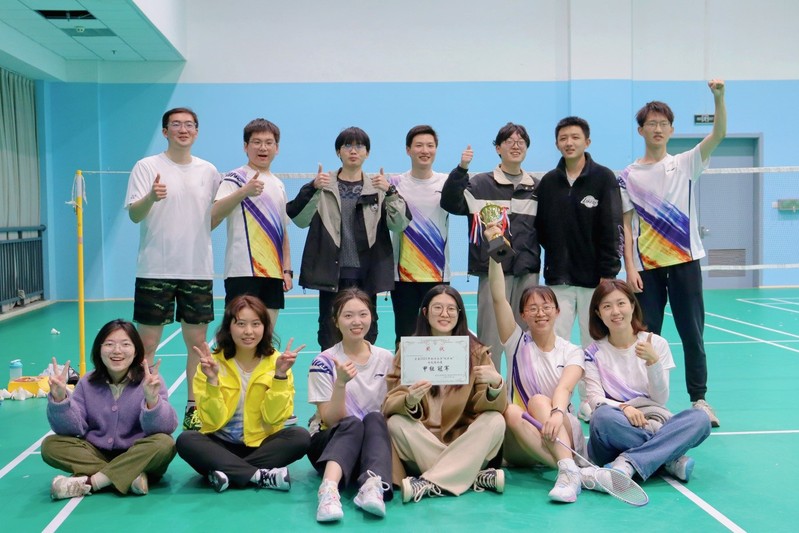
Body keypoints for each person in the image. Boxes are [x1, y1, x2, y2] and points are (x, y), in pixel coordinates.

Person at [619, 80, 727, 427]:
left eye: (664, 123)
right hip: (647, 269)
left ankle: (700, 400)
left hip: (685, 263)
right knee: (646, 336)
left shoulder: (685, 163)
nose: (658, 128)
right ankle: (645, 400)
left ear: (671, 129)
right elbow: (626, 228)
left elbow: (719, 134)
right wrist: (629, 268)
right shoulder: (629, 176)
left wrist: (718, 98)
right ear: (641, 130)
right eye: (652, 123)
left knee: (692, 335)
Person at [125, 107, 220, 431]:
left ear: (197, 131)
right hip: (155, 268)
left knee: (198, 344)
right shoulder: (146, 167)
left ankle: (194, 406)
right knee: (147, 344)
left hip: (197, 269)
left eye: (189, 124)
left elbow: (214, 215)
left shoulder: (209, 171)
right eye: (176, 124)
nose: (183, 129)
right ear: (165, 131)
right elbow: (134, 215)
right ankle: (146, 404)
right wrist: (151, 197)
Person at [484, 223, 590, 503]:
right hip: (523, 438)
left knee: (541, 402)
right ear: (523, 315)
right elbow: (498, 297)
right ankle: (573, 470)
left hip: (559, 426)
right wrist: (495, 251)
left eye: (546, 307)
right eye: (532, 308)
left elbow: (565, 389)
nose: (540, 313)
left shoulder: (572, 351)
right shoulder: (516, 342)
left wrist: (555, 413)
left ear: (557, 311)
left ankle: (567, 469)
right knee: (511, 411)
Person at [287, 126, 411, 351]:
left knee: (366, 332)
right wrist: (313, 188)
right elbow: (299, 220)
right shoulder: (323, 185)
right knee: (329, 332)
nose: (354, 151)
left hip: (367, 275)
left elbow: (399, 224)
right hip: (332, 275)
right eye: (347, 146)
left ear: (367, 153)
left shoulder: (378, 187)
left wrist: (390, 192)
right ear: (338, 152)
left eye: (359, 146)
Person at [383, 285, 507, 503]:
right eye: (437, 308)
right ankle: (471, 476)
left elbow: (492, 408)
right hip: (423, 444)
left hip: (465, 441)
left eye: (451, 309)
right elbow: (390, 402)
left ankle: (430, 481)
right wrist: (409, 401)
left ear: (459, 314)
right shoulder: (409, 350)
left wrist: (495, 385)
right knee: (395, 423)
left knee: (496, 420)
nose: (444, 314)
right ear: (425, 312)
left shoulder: (477, 352)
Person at [535, 116, 622, 422]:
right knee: (555, 344)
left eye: (575, 137)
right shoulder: (548, 182)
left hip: (594, 280)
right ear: (557, 143)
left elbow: (613, 225)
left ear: (587, 141)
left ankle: (592, 400)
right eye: (563, 138)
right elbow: (541, 228)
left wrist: (609, 273)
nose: (569, 143)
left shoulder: (603, 178)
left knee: (593, 343)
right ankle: (557, 402)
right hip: (557, 278)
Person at [176, 295, 310, 493]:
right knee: (186, 440)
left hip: (261, 444)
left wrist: (280, 376)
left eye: (256, 324)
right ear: (228, 327)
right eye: (241, 324)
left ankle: (226, 472)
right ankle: (259, 476)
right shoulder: (211, 363)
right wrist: (212, 381)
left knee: (300, 437)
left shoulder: (278, 362)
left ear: (265, 327)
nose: (248, 331)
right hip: (221, 444)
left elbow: (274, 418)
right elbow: (212, 421)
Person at [584, 280, 711, 483]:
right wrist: (624, 408)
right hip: (615, 428)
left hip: (653, 418)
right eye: (607, 306)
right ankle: (668, 458)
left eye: (621, 303)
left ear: (632, 306)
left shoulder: (656, 344)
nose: (615, 311)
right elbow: (594, 399)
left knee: (700, 419)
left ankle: (628, 462)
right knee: (602, 417)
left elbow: (660, 399)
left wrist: (653, 362)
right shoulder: (592, 352)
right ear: (598, 313)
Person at [440, 122, 540, 378]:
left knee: (526, 343)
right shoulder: (480, 184)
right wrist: (461, 169)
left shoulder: (537, 188)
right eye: (509, 142)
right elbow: (450, 202)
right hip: (492, 273)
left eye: (521, 142)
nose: (516, 146)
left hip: (527, 275)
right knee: (490, 343)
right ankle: (488, 393)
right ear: (498, 148)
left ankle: (522, 392)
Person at [42, 319, 178, 500]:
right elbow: (73, 429)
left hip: (137, 453)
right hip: (99, 453)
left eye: (125, 344)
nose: (117, 351)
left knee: (165, 443)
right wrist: (60, 400)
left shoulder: (150, 380)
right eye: (109, 344)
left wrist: (152, 401)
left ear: (136, 350)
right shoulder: (87, 382)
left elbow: (166, 427)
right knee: (50, 445)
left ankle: (92, 482)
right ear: (99, 349)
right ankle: (129, 477)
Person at [307, 288, 394, 522]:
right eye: (348, 315)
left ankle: (372, 487)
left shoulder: (386, 358)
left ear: (372, 317)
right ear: (336, 321)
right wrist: (341, 384)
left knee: (375, 418)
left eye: (363, 314)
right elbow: (331, 420)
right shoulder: (324, 362)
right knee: (353, 423)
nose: (357, 321)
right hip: (329, 445)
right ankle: (328, 492)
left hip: (370, 449)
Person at [211, 118, 293, 326]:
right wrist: (244, 192)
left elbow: (283, 232)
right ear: (245, 147)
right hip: (242, 271)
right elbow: (214, 214)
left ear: (276, 148)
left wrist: (286, 270)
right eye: (256, 142)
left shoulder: (278, 184)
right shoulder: (235, 178)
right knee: (238, 333)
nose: (263, 147)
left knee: (267, 333)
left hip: (273, 272)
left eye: (268, 142)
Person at [389, 125, 451, 347]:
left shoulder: (446, 182)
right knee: (404, 336)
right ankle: (402, 371)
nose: (425, 150)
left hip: (438, 274)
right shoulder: (394, 183)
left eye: (430, 145)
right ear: (408, 150)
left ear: (436, 149)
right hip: (403, 276)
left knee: (440, 334)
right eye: (419, 145)